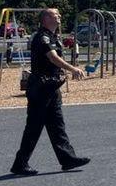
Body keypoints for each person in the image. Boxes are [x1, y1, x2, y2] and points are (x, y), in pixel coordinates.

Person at [10, 9, 90, 176]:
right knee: (34, 127)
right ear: (46, 18)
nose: (59, 16)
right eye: (55, 15)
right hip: (41, 89)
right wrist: (72, 68)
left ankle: (67, 158)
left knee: (57, 126)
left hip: (51, 87)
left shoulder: (52, 36)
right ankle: (20, 163)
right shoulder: (42, 37)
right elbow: (52, 57)